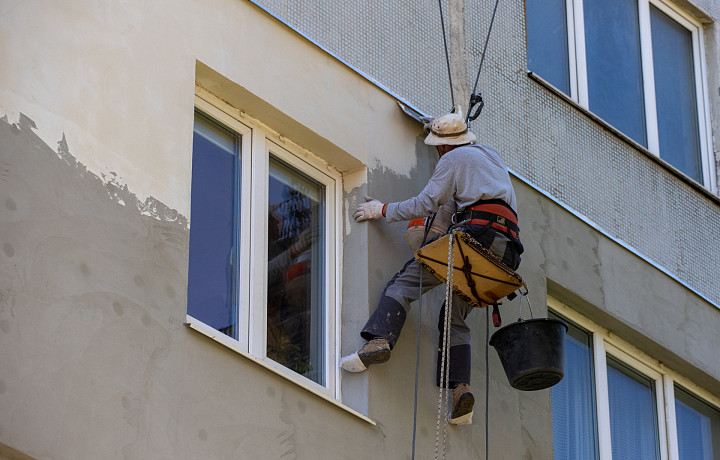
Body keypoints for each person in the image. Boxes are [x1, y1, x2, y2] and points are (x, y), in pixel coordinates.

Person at [341, 111, 523, 425]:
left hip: (475, 238)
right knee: (454, 313)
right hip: (506, 251)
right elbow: (460, 203)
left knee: (405, 281)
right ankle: (460, 391)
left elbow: (426, 203)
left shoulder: (452, 160)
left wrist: (381, 209)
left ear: (441, 147)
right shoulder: (491, 159)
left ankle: (379, 341)